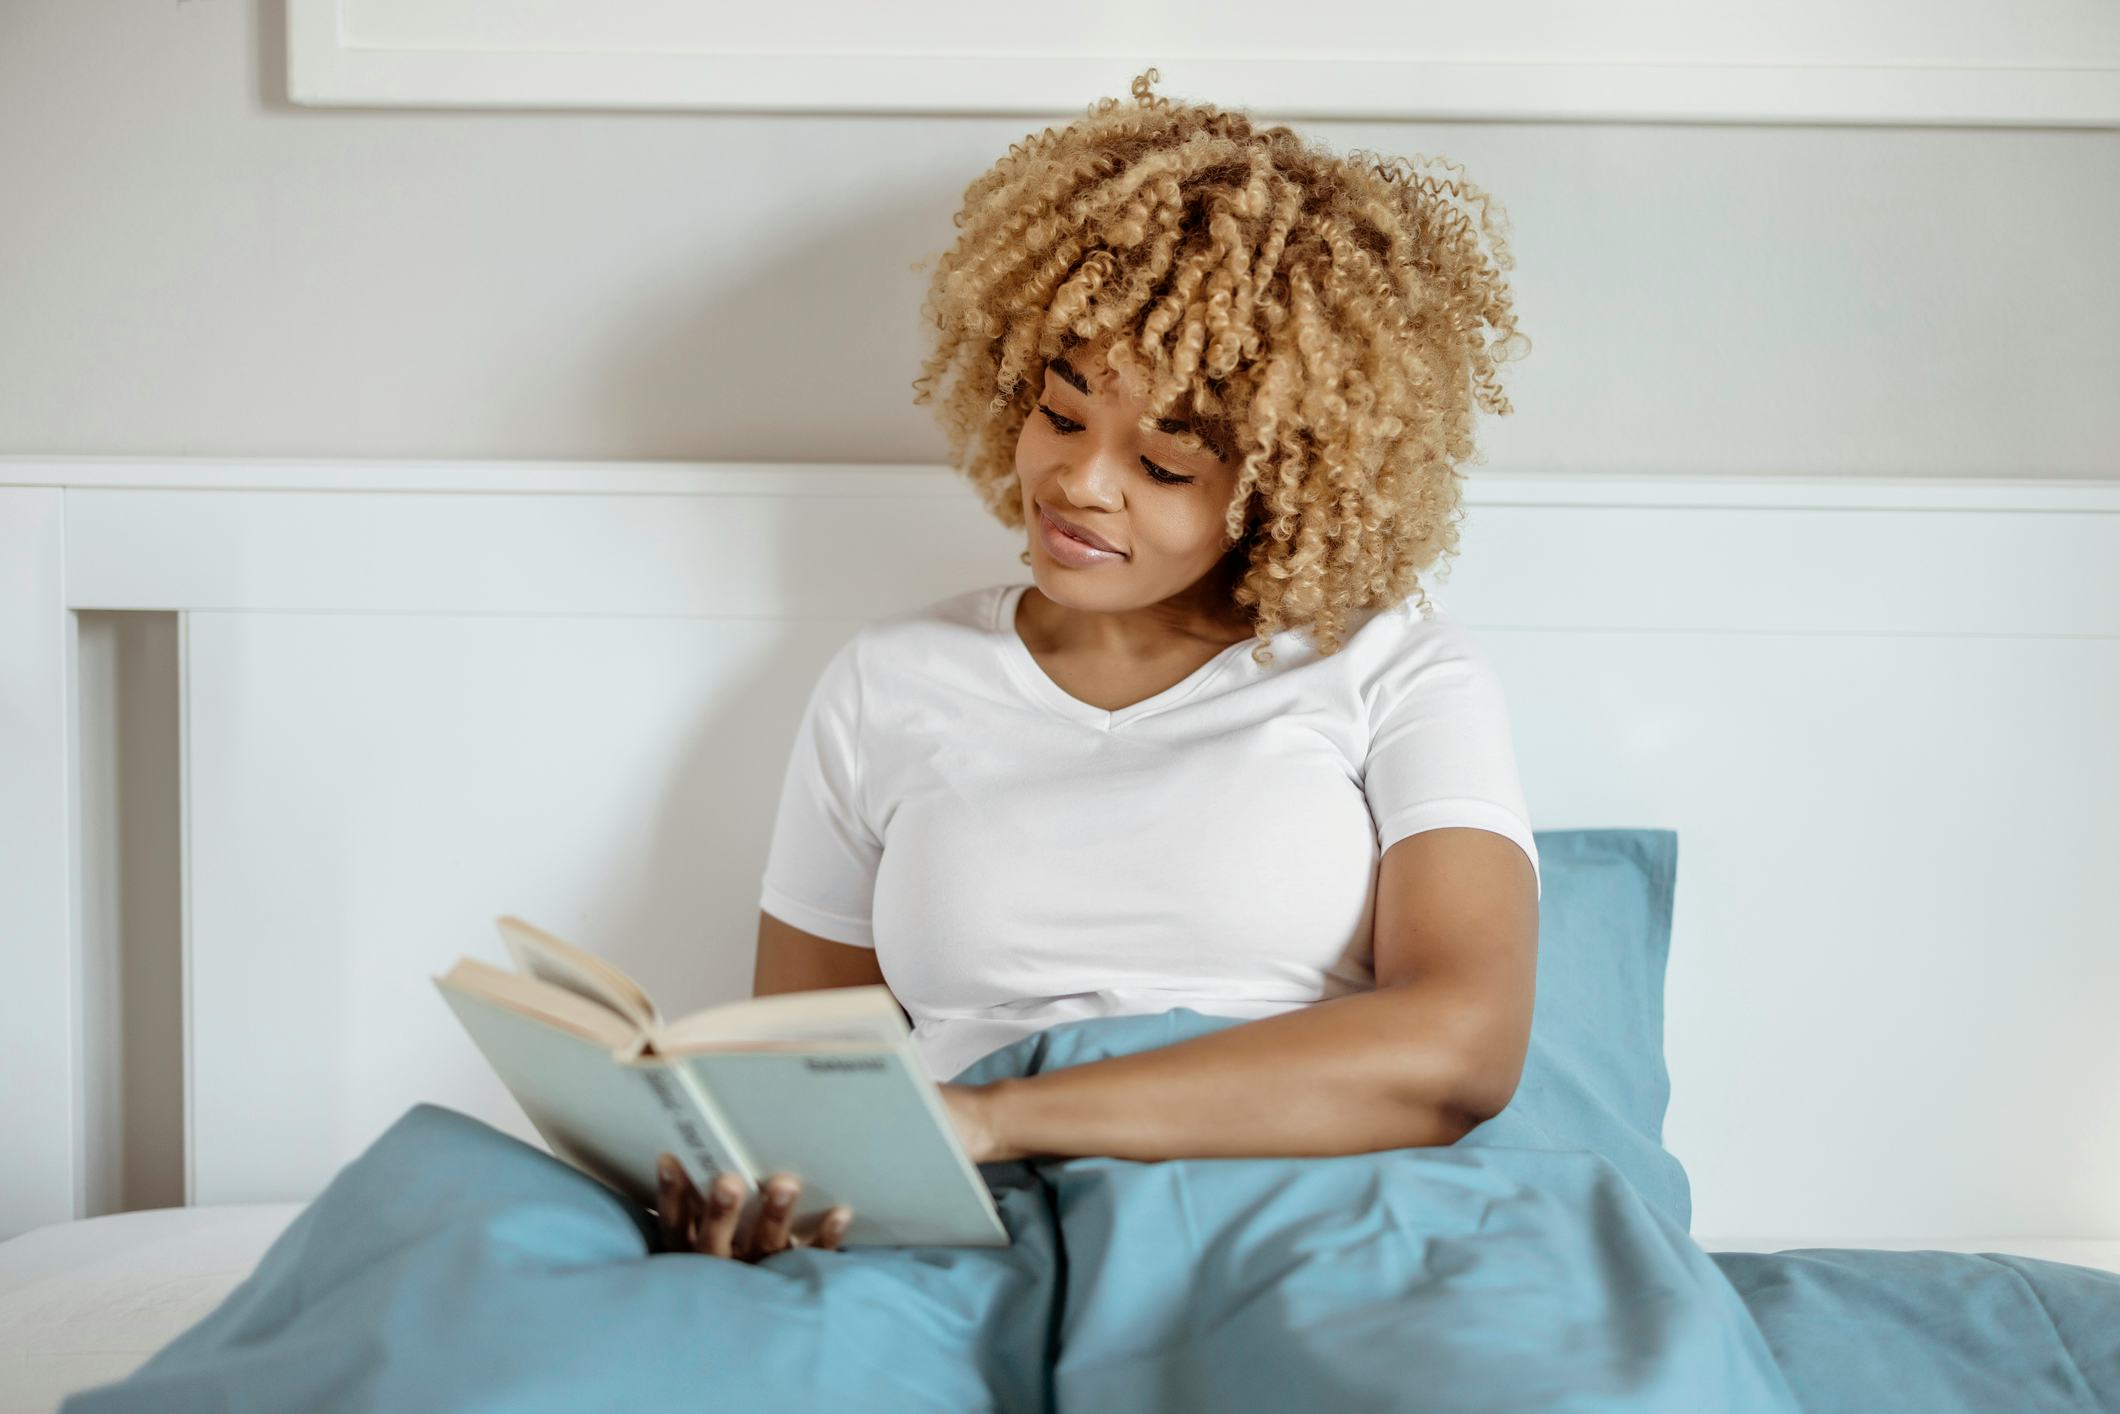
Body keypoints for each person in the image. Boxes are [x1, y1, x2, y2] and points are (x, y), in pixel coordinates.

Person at [656, 66, 1541, 1263]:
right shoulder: (888, 679)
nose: (1078, 483)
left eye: (1164, 466)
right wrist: (759, 1190)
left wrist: (987, 1117)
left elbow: (1458, 1049)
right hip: (951, 1235)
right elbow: (800, 1077)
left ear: (1279, 485)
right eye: (1062, 415)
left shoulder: (1393, 670)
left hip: (1294, 1230)